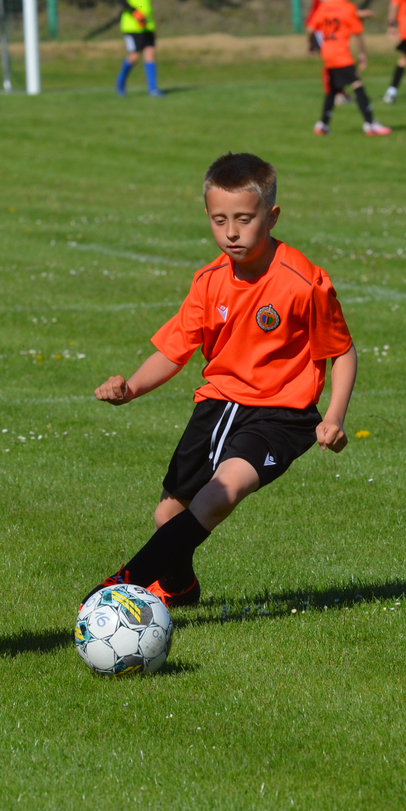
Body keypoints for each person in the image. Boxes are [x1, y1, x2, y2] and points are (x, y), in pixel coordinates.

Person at [84, 152, 358, 609]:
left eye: (244, 219)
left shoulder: (303, 282)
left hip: (281, 416)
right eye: (219, 220)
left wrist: (334, 416)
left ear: (271, 217)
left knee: (219, 494)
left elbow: (342, 351)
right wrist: (129, 389)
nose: (231, 232)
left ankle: (121, 587)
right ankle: (179, 588)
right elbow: (173, 350)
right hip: (217, 407)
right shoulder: (209, 281)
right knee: (167, 515)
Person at [307, 0, 391, 136]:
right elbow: (358, 33)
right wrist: (363, 54)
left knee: (333, 89)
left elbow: (310, 29)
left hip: (327, 53)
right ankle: (370, 124)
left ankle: (322, 125)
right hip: (341, 54)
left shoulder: (324, 6)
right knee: (357, 85)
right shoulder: (347, 7)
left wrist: (310, 44)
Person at [116, 0, 163, 97]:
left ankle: (153, 89)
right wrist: (135, 12)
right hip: (132, 25)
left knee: (150, 54)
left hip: (147, 24)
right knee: (134, 57)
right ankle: (120, 81)